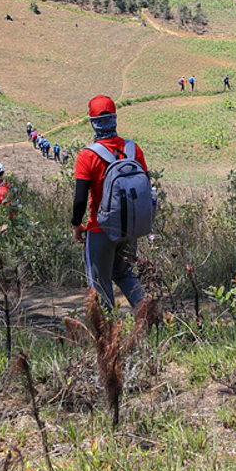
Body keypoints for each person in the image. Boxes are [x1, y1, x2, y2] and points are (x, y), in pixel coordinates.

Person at [72, 95, 149, 312]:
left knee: (100, 285)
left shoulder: (87, 156)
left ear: (93, 122)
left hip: (100, 229)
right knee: (124, 274)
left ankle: (108, 336)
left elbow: (80, 199)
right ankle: (148, 317)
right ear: (114, 118)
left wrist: (77, 224)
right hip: (130, 228)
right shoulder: (133, 149)